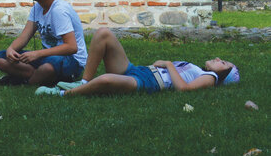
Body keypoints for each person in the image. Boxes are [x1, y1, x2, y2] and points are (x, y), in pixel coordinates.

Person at [35, 27, 240, 97]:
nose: (218, 59)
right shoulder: (201, 71)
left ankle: (61, 94)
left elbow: (184, 90)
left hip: (149, 82)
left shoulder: (210, 78)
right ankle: (83, 82)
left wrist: (169, 64)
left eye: (223, 63)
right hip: (141, 71)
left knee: (106, 80)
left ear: (223, 75)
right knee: (104, 34)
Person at [0, 0, 87, 86]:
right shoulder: (37, 8)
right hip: (46, 57)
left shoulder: (59, 11)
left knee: (48, 67)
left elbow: (71, 47)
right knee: (1, 58)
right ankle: (39, 76)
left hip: (71, 61)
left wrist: (37, 54)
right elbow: (24, 37)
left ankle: (26, 82)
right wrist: (11, 49)